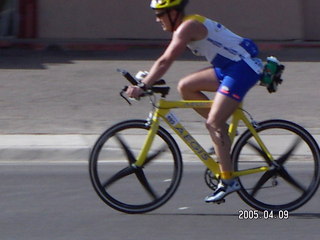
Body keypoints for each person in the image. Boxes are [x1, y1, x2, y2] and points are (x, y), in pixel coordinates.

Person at [126, 0, 263, 203]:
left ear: (173, 13)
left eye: (160, 14)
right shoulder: (186, 25)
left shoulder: (187, 27)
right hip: (229, 68)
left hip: (243, 68)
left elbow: (166, 60)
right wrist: (146, 81)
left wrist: (144, 86)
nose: (157, 19)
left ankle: (228, 181)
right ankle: (222, 135)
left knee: (213, 122)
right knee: (186, 86)